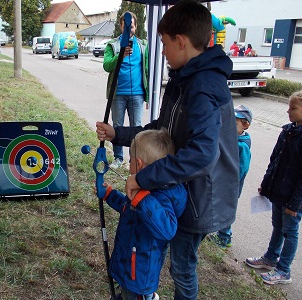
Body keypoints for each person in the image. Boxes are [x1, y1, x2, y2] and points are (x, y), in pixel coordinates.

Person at [96, 0, 239, 299]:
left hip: (201, 197)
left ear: (181, 41)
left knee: (182, 267)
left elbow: (202, 154)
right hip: (182, 187)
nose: (161, 51)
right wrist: (117, 133)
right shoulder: (183, 78)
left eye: (164, 43)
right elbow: (162, 128)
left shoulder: (203, 86)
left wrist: (143, 179)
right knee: (177, 262)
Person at [101, 129, 187, 300]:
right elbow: (128, 207)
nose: (129, 163)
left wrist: (143, 200)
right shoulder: (144, 189)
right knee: (127, 293)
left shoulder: (161, 195)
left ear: (138, 164)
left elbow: (167, 230)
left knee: (134, 295)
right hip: (129, 263)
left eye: (130, 159)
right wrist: (109, 194)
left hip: (139, 272)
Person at [245, 90, 302, 285]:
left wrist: (294, 204)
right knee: (277, 226)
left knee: (290, 231)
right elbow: (274, 161)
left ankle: (284, 270)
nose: (288, 111)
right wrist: (266, 184)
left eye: (293, 108)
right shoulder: (287, 131)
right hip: (278, 192)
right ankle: (270, 258)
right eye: (288, 107)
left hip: (293, 199)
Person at [103, 11, 148, 169]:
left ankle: (134, 160)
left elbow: (147, 70)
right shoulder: (113, 45)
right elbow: (107, 66)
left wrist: (148, 95)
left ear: (136, 27)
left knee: (137, 127)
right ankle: (118, 158)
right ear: (121, 27)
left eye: (132, 27)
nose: (129, 30)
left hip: (137, 94)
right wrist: (120, 56)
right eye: (126, 27)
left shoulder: (143, 45)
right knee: (117, 126)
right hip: (118, 94)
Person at [208, 105, 252, 249]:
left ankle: (224, 236)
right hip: (225, 182)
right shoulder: (232, 139)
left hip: (231, 186)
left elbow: (241, 169)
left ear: (246, 125)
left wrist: (230, 183)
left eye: (236, 122)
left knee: (226, 209)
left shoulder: (242, 146)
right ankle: (222, 233)